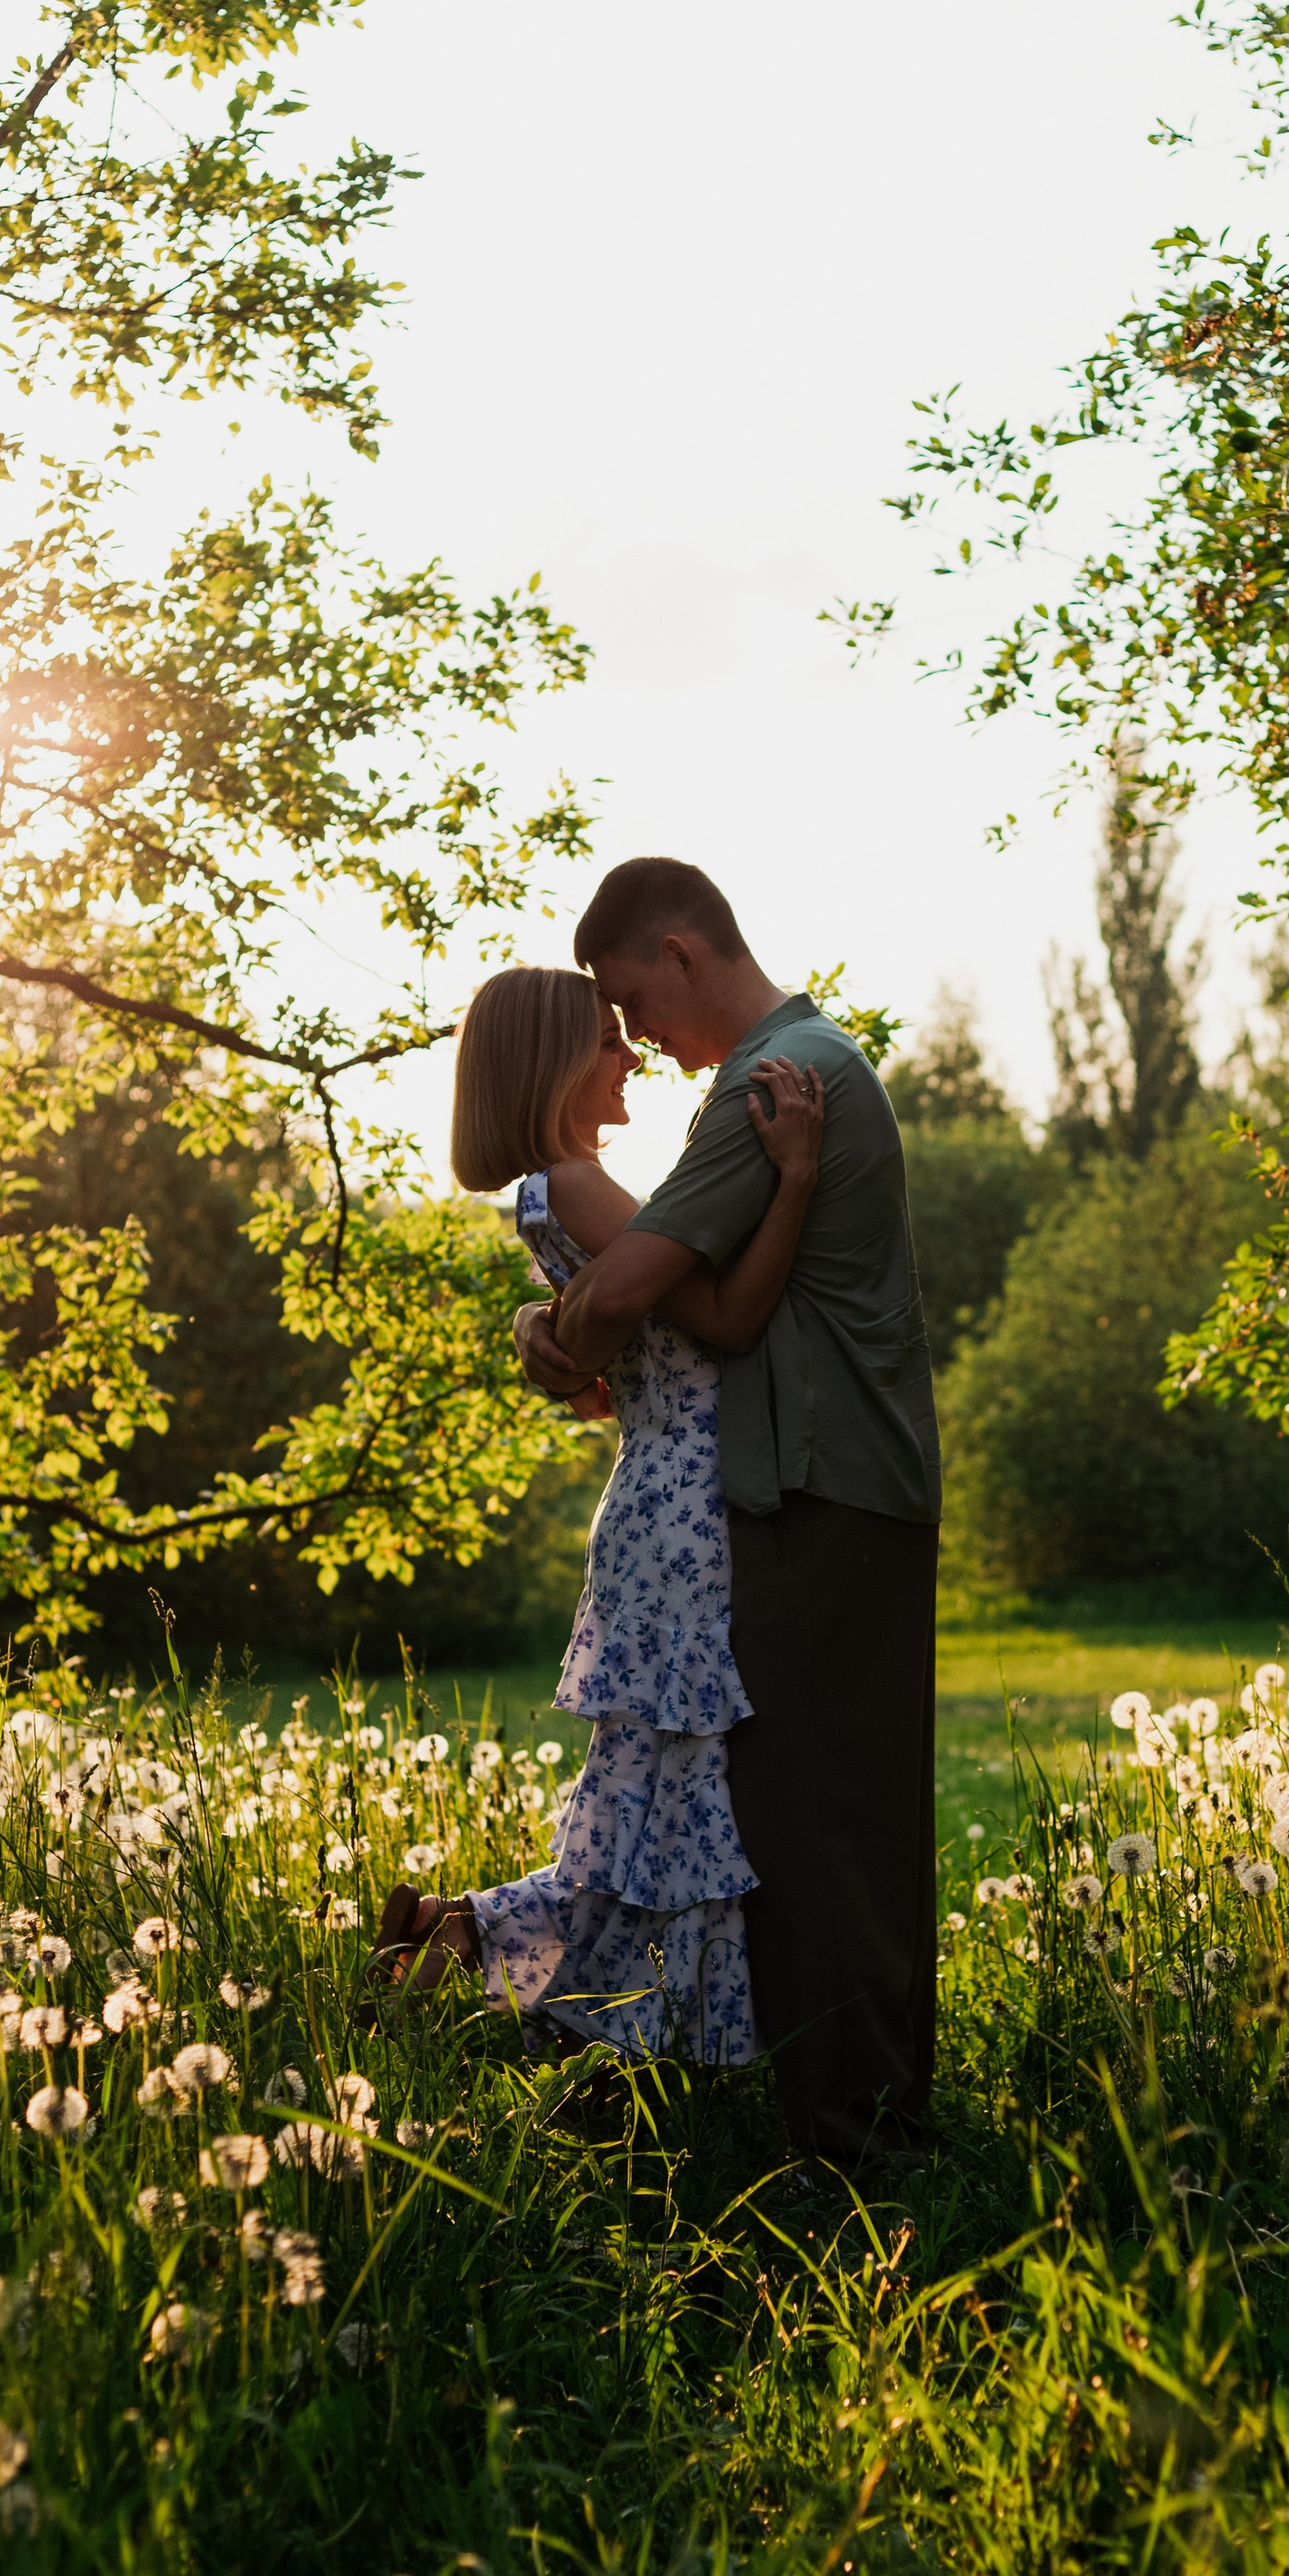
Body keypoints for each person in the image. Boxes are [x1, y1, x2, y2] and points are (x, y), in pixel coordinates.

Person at [514, 857, 941, 2171]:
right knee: (836, 1815)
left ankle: (856, 2149)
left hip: (817, 1490)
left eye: (631, 996)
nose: (632, 1033)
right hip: (840, 1483)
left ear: (684, 949)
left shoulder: (770, 1083)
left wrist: (545, 1328)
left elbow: (636, 1284)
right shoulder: (804, 1066)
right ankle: (857, 2127)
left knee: (814, 1825)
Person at [379, 962, 823, 2062]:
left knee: (654, 1795)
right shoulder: (572, 1183)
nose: (630, 1057)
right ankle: (615, 2026)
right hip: (681, 1509)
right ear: (553, 1063)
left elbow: (598, 1354)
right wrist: (798, 1179)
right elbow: (727, 1315)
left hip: (665, 1504)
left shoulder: (554, 1190)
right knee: (676, 1796)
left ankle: (462, 1935)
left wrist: (552, 1328)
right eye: (607, 1041)